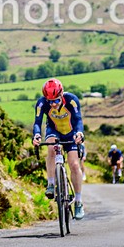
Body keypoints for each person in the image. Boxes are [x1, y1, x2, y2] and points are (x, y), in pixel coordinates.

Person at [32, 78, 86, 220]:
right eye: (50, 101)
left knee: (74, 165)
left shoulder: (72, 100)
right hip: (54, 131)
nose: (53, 104)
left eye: (56, 100)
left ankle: (78, 202)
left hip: (71, 132)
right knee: (51, 148)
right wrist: (36, 135)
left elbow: (78, 119)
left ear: (61, 95)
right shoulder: (41, 103)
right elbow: (37, 122)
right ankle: (51, 184)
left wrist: (79, 133)